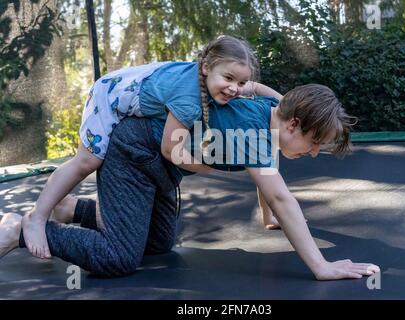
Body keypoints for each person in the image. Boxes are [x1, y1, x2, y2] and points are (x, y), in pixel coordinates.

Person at [0, 84, 380, 280]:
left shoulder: (274, 113)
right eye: (314, 144)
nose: (314, 153)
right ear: (294, 124)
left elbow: (261, 100)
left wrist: (268, 219)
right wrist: (320, 265)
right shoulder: (255, 135)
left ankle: (74, 208)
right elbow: (280, 195)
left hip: (163, 168)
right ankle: (20, 229)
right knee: (118, 258)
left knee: (160, 242)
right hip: (134, 152)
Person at [20, 35, 281, 259]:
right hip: (109, 97)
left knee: (159, 242)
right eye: (229, 79)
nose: (235, 88)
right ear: (206, 67)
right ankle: (37, 216)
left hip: (130, 93)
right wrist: (208, 167)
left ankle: (70, 208)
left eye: (241, 82)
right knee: (88, 161)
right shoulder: (189, 99)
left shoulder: (219, 81)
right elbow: (171, 151)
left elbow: (255, 87)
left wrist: (286, 103)